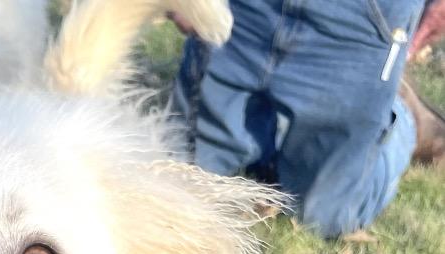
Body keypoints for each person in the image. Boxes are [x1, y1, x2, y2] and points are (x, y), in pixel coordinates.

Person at [171, 0, 445, 237]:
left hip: (366, 17)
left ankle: (406, 116)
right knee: (183, 177)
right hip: (244, 10)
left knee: (326, 216)